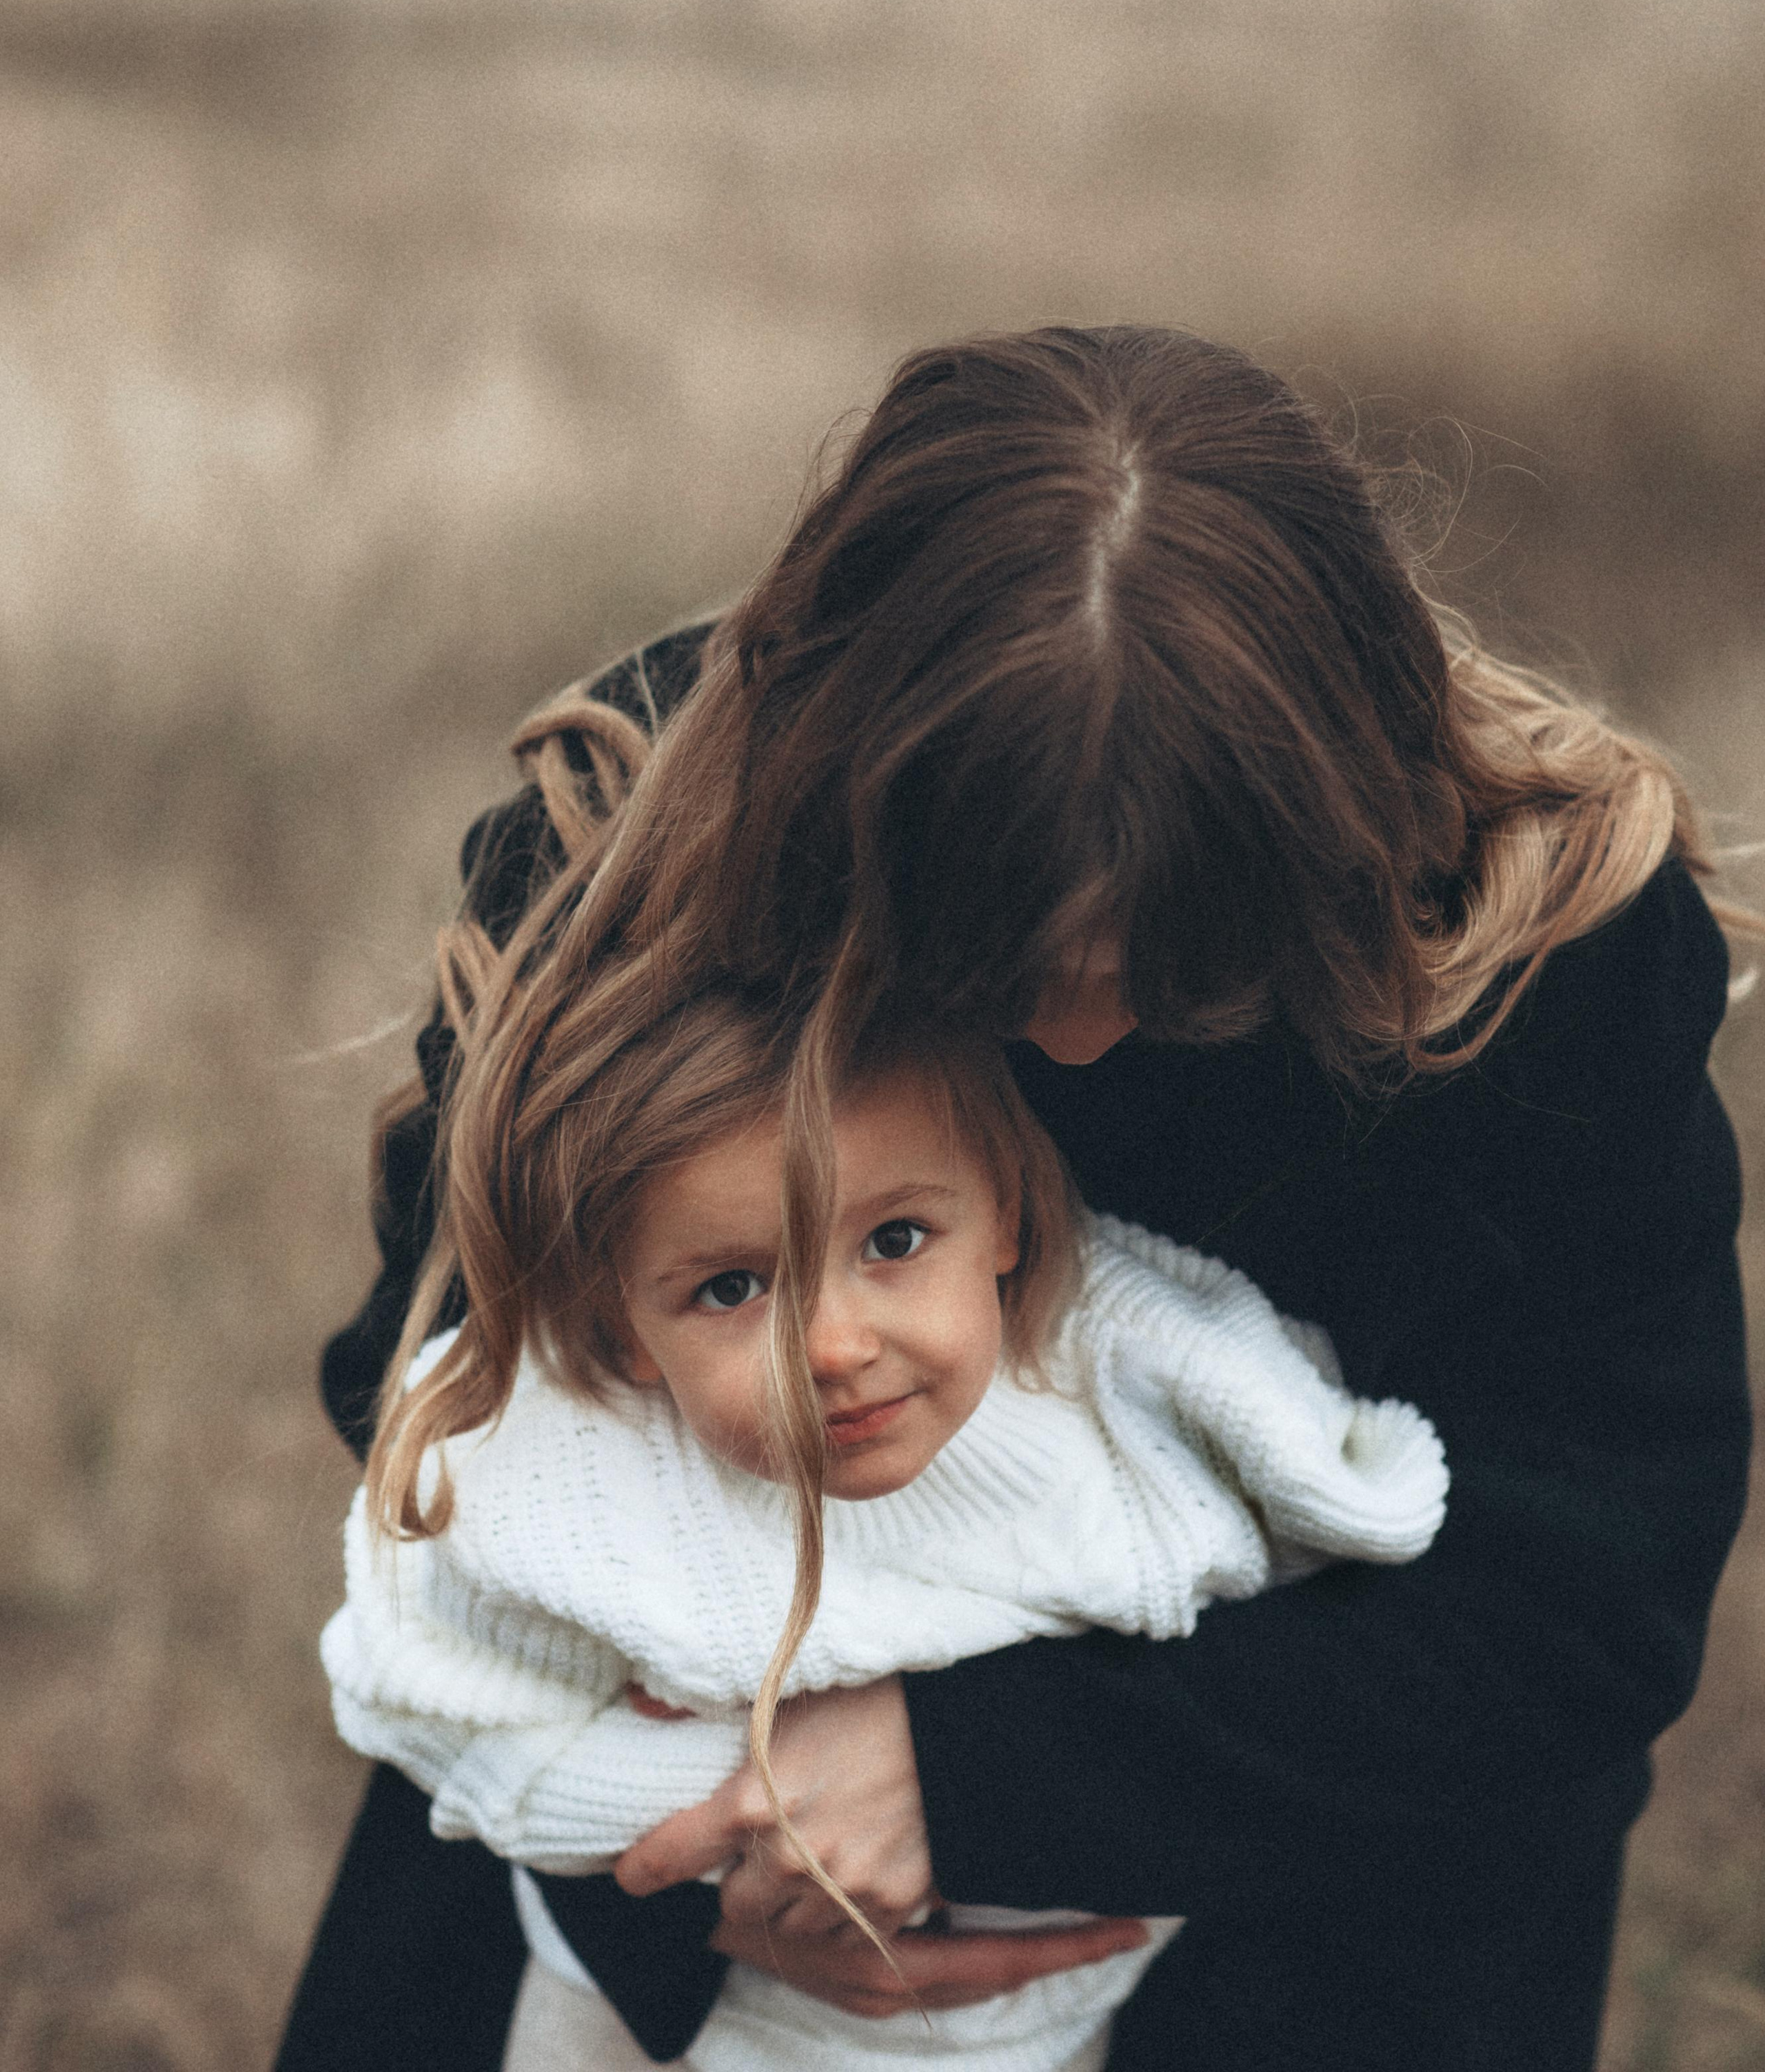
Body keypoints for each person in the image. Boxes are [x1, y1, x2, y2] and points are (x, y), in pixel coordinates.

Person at [277, 326, 1752, 2072]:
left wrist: (966, 1778)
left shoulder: (1543, 953)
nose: (1077, 1032)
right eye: (984, 963)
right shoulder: (627, 849)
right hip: (660, 1832)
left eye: (1190, 975)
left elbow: (1583, 1593)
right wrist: (684, 1843)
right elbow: (439, 1403)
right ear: (838, 807)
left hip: (1337, 1893)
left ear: (1347, 822)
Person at [319, 972, 1448, 2072]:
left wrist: (995, 1774)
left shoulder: (1118, 1399)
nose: (834, 1346)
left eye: (895, 1242)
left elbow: (1359, 1507)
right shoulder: (581, 1473)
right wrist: (725, 1804)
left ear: (1005, 1210)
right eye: (731, 1288)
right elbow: (428, 1698)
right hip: (640, 2033)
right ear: (619, 1333)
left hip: (1019, 2036)